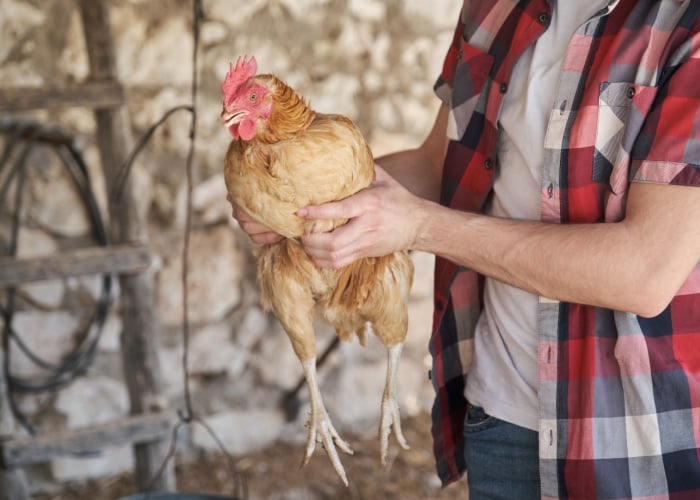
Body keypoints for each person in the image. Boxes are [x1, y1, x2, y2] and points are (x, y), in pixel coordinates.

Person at [231, 1, 700, 498]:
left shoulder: (685, 27)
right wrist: (301, 204)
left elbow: (645, 270)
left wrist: (421, 227)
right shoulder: (494, 7)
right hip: (498, 413)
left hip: (632, 433)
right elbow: (439, 164)